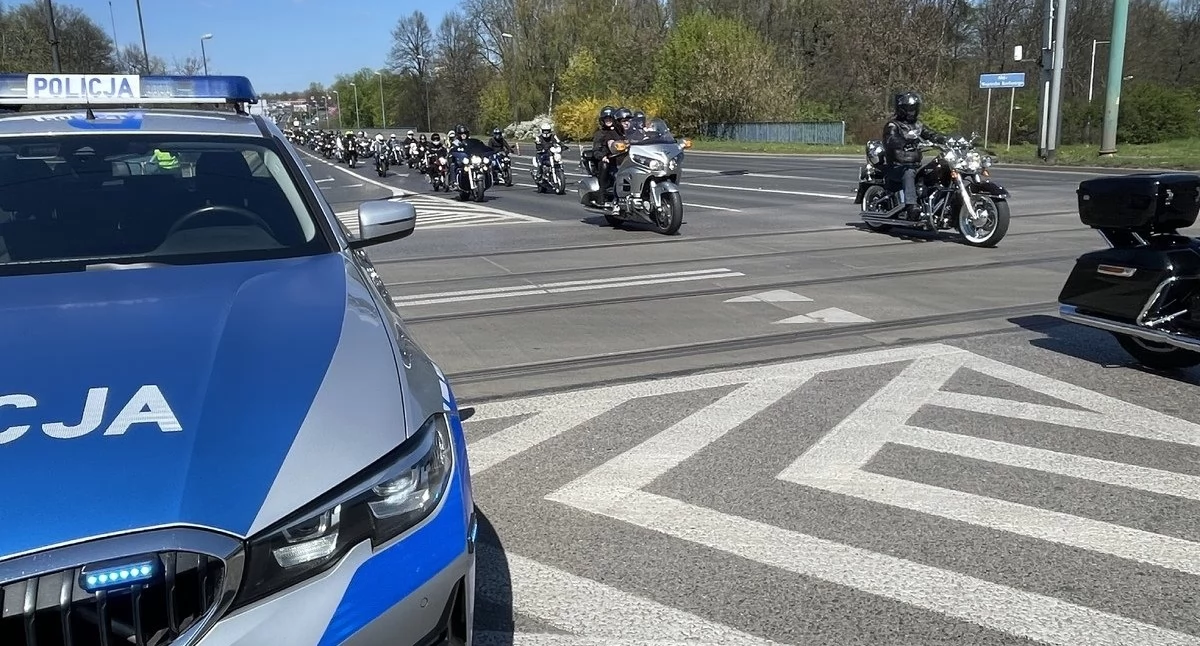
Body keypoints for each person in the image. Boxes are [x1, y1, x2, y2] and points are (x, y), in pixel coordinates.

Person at [882, 92, 946, 220]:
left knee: (939, 167)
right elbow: (891, 139)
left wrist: (942, 138)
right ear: (902, 109)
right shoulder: (893, 125)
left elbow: (929, 133)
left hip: (915, 164)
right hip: (897, 166)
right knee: (909, 172)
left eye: (914, 108)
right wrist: (904, 143)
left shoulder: (918, 125)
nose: (912, 112)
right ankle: (911, 206)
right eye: (909, 109)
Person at [591, 106, 621, 206]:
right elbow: (596, 150)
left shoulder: (619, 132)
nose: (608, 120)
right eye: (606, 119)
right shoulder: (600, 134)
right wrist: (603, 156)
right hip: (607, 159)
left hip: (619, 159)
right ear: (602, 120)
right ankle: (602, 194)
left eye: (610, 118)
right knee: (604, 165)